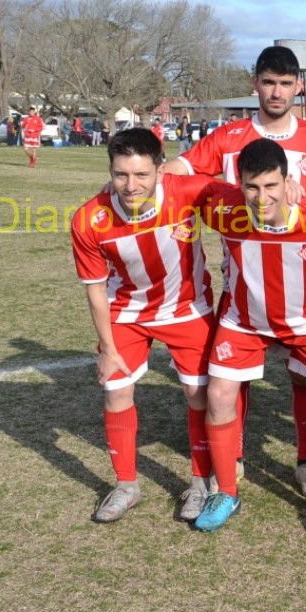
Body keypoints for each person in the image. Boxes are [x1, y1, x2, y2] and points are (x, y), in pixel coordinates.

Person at [163, 45, 306, 499]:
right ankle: (233, 459)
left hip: (302, 286)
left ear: (298, 86)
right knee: (233, 378)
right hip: (245, 284)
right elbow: (177, 172)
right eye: (269, 82)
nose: (277, 92)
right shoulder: (228, 137)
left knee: (304, 377)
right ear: (255, 83)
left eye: (286, 83)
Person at [191, 139, 306, 534]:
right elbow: (174, 185)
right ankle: (226, 493)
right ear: (238, 184)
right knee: (218, 395)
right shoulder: (223, 207)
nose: (262, 198)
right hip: (243, 320)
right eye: (252, 187)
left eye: (271, 186)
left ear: (287, 181)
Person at [69, 129, 218, 523]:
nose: (131, 186)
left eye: (141, 175)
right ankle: (126, 486)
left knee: (198, 393)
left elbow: (251, 198)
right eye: (121, 175)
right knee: (116, 390)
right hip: (126, 312)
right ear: (110, 171)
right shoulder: (89, 219)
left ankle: (200, 482)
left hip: (186, 308)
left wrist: (291, 188)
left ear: (161, 171)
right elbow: (96, 289)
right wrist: (107, 349)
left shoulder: (192, 192)